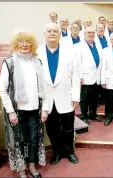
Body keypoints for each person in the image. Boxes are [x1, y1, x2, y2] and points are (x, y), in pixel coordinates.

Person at [0, 30, 48, 178]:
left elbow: (43, 88)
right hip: (17, 111)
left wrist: (44, 109)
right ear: (16, 44)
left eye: (28, 42)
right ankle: (21, 169)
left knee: (33, 140)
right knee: (18, 142)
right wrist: (11, 111)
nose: (25, 45)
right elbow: (3, 90)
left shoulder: (37, 62)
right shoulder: (9, 63)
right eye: (21, 41)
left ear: (32, 44)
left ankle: (32, 167)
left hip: (34, 110)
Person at [37, 23, 80, 165]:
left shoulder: (69, 51)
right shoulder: (37, 52)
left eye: (55, 31)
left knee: (68, 128)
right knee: (52, 129)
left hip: (66, 97)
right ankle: (57, 152)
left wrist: (76, 96)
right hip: (47, 99)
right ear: (44, 34)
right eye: (49, 31)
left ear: (60, 34)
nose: (52, 33)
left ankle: (69, 151)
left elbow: (75, 75)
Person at [75, 26, 103, 124]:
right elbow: (77, 63)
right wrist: (80, 77)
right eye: (89, 33)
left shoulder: (98, 45)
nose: (91, 34)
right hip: (85, 77)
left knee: (95, 98)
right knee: (85, 98)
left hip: (96, 77)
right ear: (84, 34)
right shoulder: (78, 46)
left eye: (92, 33)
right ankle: (84, 115)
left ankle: (93, 114)